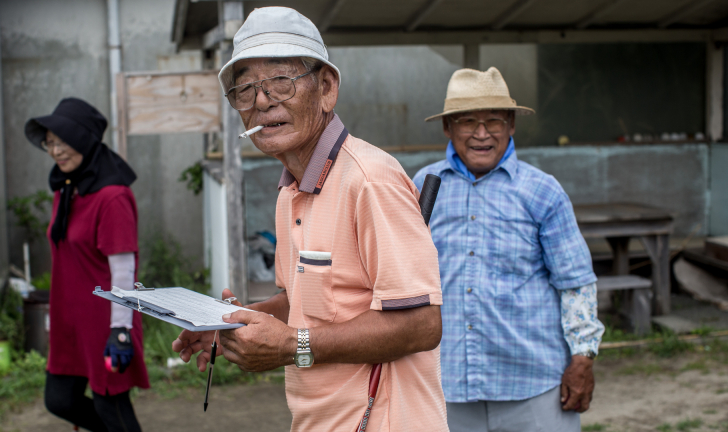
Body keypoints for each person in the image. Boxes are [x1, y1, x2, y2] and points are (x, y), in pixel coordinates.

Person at [172, 7, 448, 432]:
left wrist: (293, 347)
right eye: (244, 89)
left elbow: (421, 324)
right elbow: (302, 304)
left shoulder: (370, 178)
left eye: (281, 81)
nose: (262, 101)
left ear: (326, 88)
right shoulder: (290, 192)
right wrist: (233, 324)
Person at [412, 68, 605, 432]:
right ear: (448, 128)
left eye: (494, 121)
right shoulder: (423, 187)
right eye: (468, 121)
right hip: (444, 383)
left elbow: (576, 283)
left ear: (511, 125)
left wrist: (583, 359)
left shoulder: (542, 191)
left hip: (533, 385)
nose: (481, 133)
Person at [25, 98, 149, 432]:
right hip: (70, 319)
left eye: (63, 141)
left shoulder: (112, 197)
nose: (55, 151)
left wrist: (119, 330)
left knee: (112, 406)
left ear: (85, 140)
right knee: (60, 399)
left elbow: (123, 268)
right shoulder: (68, 190)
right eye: (50, 142)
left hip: (104, 321)